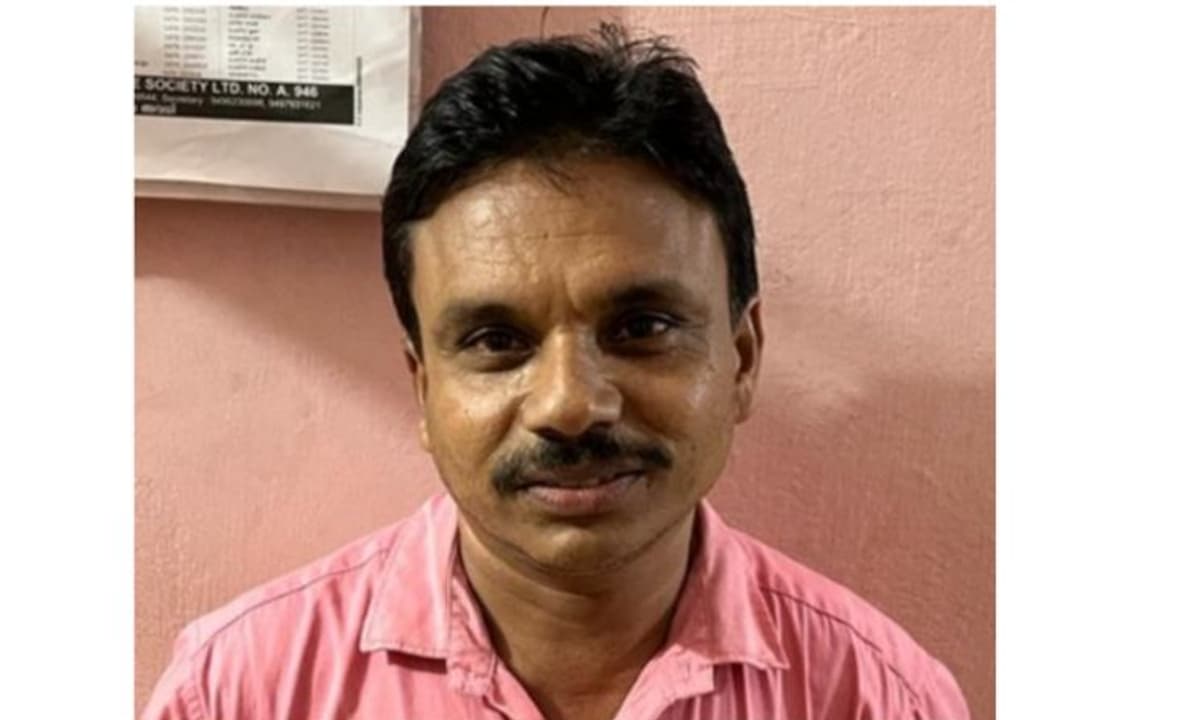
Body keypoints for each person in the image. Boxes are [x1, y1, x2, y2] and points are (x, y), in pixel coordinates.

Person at [142, 24, 970, 720]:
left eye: (642, 327)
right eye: (496, 341)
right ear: (424, 387)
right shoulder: (241, 692)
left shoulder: (878, 699)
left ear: (743, 358)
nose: (571, 404)